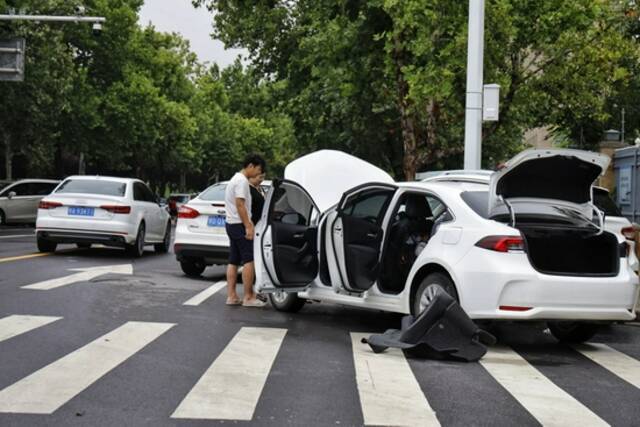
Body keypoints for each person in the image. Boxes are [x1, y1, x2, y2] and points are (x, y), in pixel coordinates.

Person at [224, 154, 267, 307]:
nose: (258, 173)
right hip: (239, 224)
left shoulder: (234, 179)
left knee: (234, 260)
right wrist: (248, 225)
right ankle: (248, 297)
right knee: (249, 260)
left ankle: (232, 296)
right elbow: (240, 204)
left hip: (231, 223)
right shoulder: (242, 181)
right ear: (250, 166)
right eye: (258, 169)